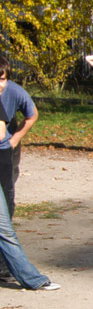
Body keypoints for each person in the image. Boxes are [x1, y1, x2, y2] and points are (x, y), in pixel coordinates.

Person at [0, 89, 59, 291]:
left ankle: (30, 278)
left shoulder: (12, 93)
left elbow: (1, 132)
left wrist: (13, 140)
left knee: (4, 227)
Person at [0, 54, 39, 214]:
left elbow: (32, 115)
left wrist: (14, 140)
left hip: (4, 148)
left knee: (6, 188)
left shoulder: (16, 92)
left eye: (2, 79)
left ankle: (6, 224)